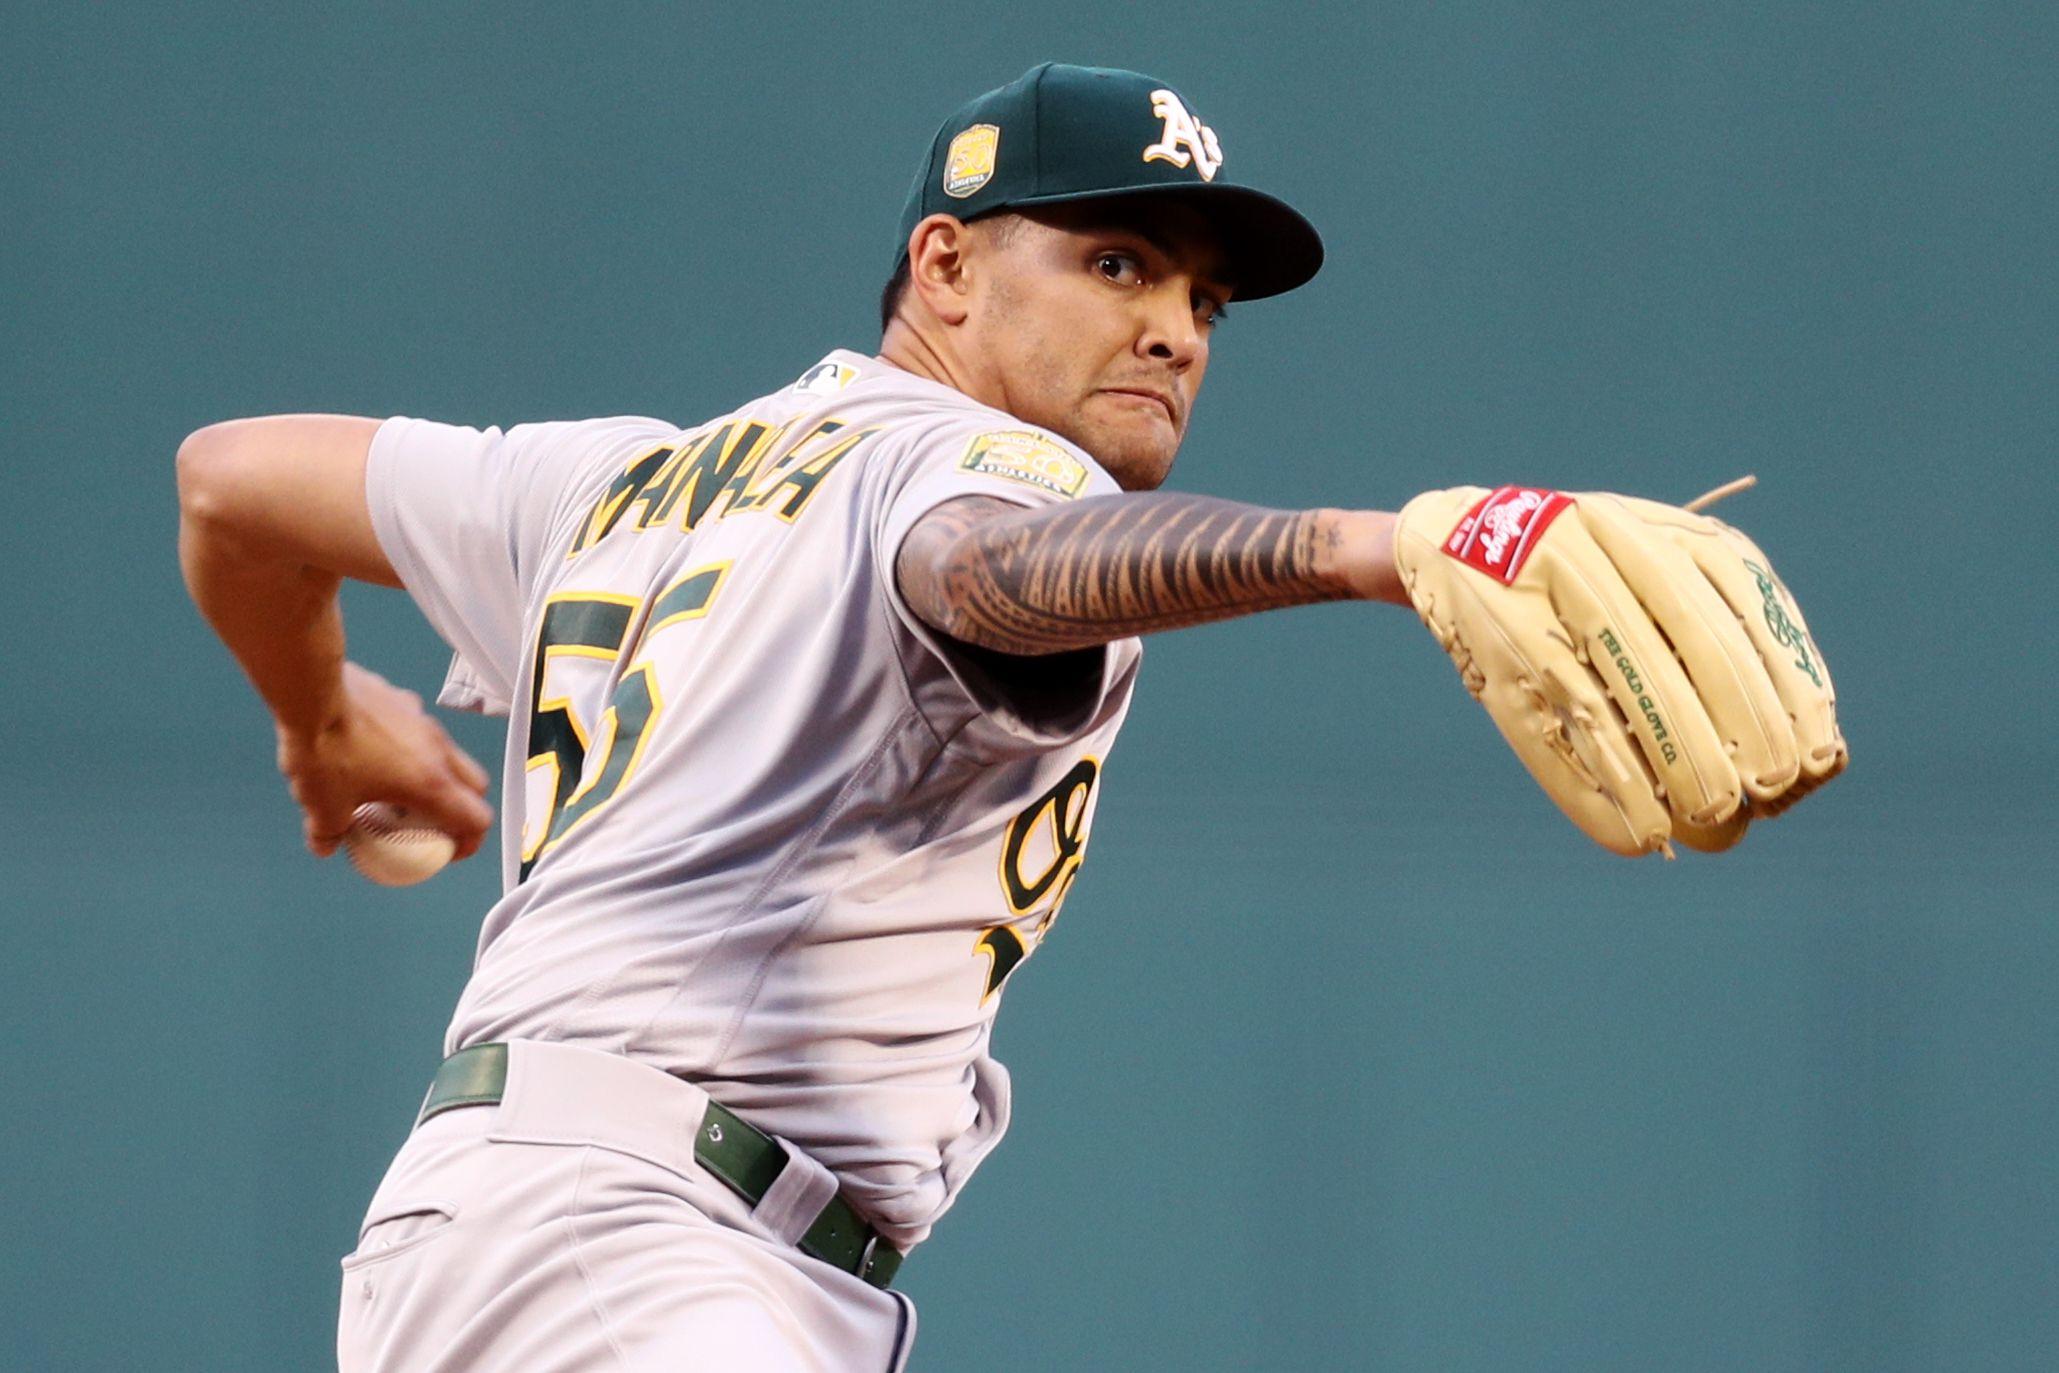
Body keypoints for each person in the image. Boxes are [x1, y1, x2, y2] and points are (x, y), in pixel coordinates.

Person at [177, 61, 1840, 1373]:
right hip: (632, 1248)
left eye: (1204, 300)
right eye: (1116, 262)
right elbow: (987, 569)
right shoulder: (979, 462)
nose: (1174, 327)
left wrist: (319, 718)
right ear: (947, 265)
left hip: (562, 1238)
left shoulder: (618, 478)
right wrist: (1372, 548)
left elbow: (232, 484)